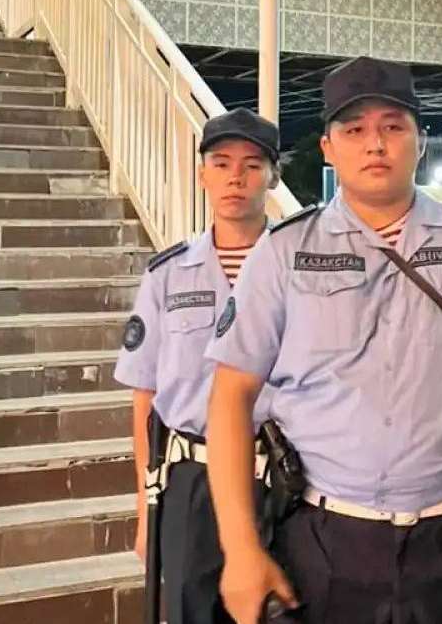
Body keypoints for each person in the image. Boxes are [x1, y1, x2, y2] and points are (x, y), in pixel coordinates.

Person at [202, 56, 442, 624]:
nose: (374, 144)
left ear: (420, 141)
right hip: (325, 544)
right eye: (354, 130)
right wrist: (240, 550)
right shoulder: (283, 253)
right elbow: (231, 396)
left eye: (392, 127)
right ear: (328, 148)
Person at [113, 107, 281, 624]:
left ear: (273, 176)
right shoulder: (167, 274)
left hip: (281, 479)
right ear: (202, 172)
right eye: (222, 162)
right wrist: (146, 510)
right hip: (191, 482)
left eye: (253, 165)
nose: (236, 177)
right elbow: (144, 395)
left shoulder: (297, 268)